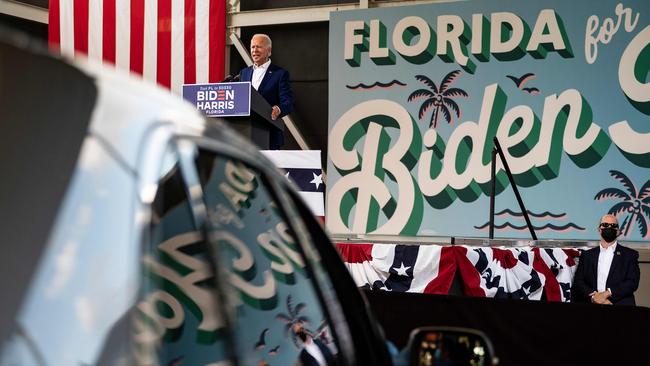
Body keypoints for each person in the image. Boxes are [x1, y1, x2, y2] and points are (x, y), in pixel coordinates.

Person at [240, 34, 294, 150]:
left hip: (270, 135)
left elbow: (288, 102)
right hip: (246, 135)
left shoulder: (280, 74)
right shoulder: (244, 73)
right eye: (253, 47)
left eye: (259, 47)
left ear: (269, 51)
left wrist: (278, 109)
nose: (255, 50)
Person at [572, 214, 640, 305]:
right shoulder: (587, 255)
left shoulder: (630, 255)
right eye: (605, 225)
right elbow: (578, 282)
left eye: (613, 226)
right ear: (599, 230)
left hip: (621, 308)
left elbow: (632, 282)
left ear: (618, 231)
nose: (609, 227)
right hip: (591, 307)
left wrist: (607, 294)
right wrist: (594, 297)